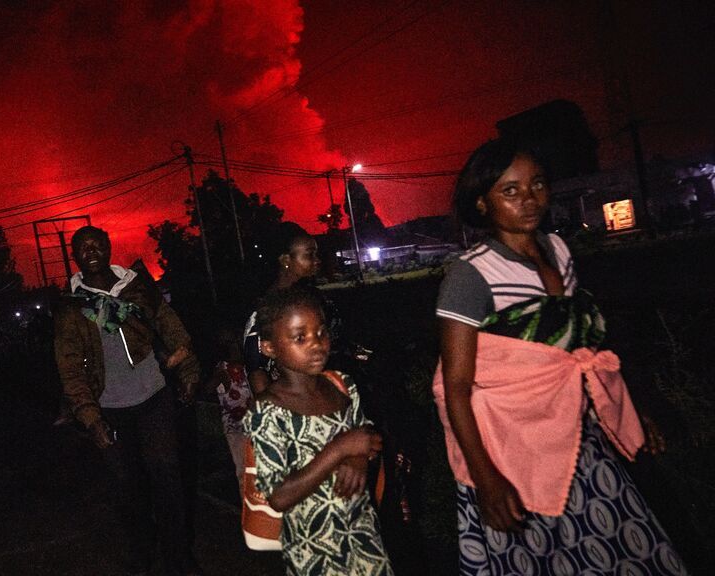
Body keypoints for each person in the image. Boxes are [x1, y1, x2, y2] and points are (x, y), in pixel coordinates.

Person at [435, 138, 687, 575]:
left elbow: (581, 348)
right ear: (482, 203)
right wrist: (487, 479)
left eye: (537, 184)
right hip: (512, 452)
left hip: (576, 435)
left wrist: (631, 409)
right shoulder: (470, 275)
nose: (529, 199)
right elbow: (455, 388)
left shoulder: (559, 250)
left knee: (623, 546)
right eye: (510, 190)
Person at [54, 225, 200, 576]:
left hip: (153, 397)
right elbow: (69, 367)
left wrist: (189, 371)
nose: (91, 251)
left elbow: (170, 326)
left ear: (108, 248)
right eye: (83, 247)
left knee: (168, 478)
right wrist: (90, 418)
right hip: (109, 408)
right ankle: (142, 550)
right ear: (74, 256)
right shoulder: (71, 306)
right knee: (127, 488)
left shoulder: (136, 285)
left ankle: (178, 557)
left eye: (97, 244)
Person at [243, 287, 394, 576]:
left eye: (321, 332)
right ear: (269, 348)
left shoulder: (342, 385)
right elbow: (278, 496)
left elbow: (368, 439)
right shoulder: (267, 410)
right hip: (314, 553)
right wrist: (340, 450)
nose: (317, 344)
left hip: (364, 539)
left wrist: (358, 458)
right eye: (300, 337)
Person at [243, 222, 322, 394]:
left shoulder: (309, 298)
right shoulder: (268, 308)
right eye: (309, 255)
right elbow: (256, 369)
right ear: (286, 260)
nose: (317, 261)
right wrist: (272, 407)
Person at [202, 326, 252, 480]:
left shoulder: (247, 366)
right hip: (235, 427)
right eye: (231, 343)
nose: (236, 346)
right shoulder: (223, 369)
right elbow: (207, 390)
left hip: (252, 423)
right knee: (243, 469)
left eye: (236, 342)